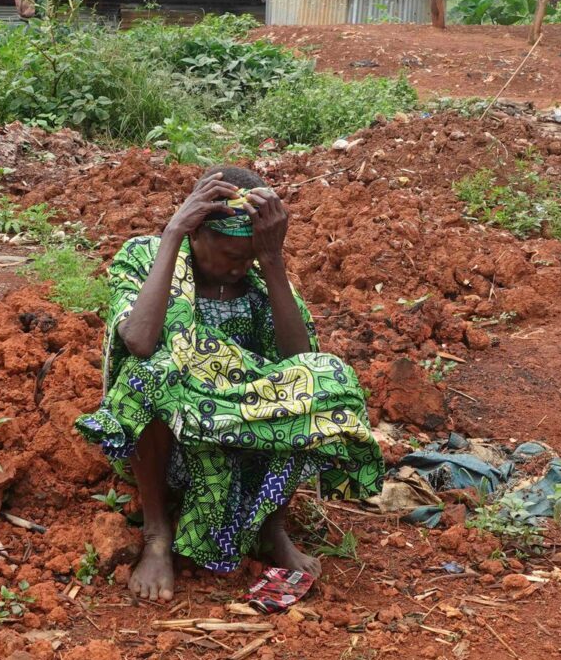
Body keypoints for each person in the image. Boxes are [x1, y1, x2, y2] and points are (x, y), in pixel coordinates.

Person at [76, 167, 383, 602]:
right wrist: (171, 236)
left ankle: (271, 527)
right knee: (155, 373)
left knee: (327, 378)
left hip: (240, 435)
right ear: (195, 234)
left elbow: (302, 362)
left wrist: (272, 261)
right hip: (165, 444)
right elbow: (141, 341)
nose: (238, 268)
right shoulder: (145, 258)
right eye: (227, 255)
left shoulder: (257, 279)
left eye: (248, 257)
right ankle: (158, 535)